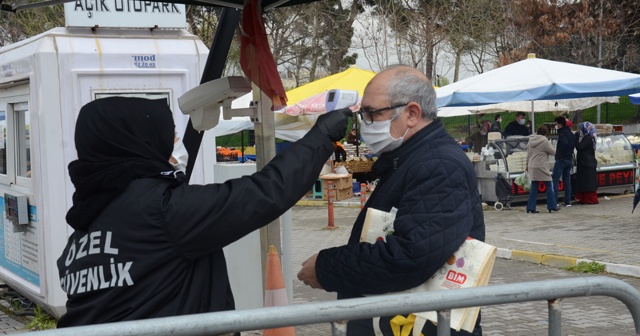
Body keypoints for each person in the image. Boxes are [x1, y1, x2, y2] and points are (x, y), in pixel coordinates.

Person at [56, 96, 352, 327]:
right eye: (170, 137)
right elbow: (264, 193)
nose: (176, 145)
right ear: (140, 143)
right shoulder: (161, 210)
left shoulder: (88, 219)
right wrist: (321, 136)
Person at [297, 65, 485, 336]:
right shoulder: (409, 159)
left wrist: (327, 267)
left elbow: (410, 256)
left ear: (411, 113)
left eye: (372, 113)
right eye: (363, 114)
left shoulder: (439, 165)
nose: (365, 123)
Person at [526, 125, 558, 213]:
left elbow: (528, 155)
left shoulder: (530, 141)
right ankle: (552, 206)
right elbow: (553, 152)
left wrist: (526, 166)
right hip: (541, 166)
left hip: (531, 165)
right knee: (549, 184)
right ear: (546, 133)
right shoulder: (545, 141)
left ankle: (530, 207)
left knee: (534, 187)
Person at [552, 116, 576, 207]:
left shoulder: (562, 133)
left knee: (555, 180)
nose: (556, 126)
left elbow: (564, 143)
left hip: (561, 159)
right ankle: (567, 201)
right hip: (569, 159)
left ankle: (554, 201)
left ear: (560, 124)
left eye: (556, 124)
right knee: (567, 180)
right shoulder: (571, 134)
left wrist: (559, 155)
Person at [575, 121, 599, 204]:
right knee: (585, 182)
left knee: (587, 182)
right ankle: (584, 198)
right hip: (587, 163)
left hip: (586, 163)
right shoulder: (590, 137)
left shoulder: (588, 138)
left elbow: (579, 147)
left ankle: (589, 199)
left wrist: (576, 138)